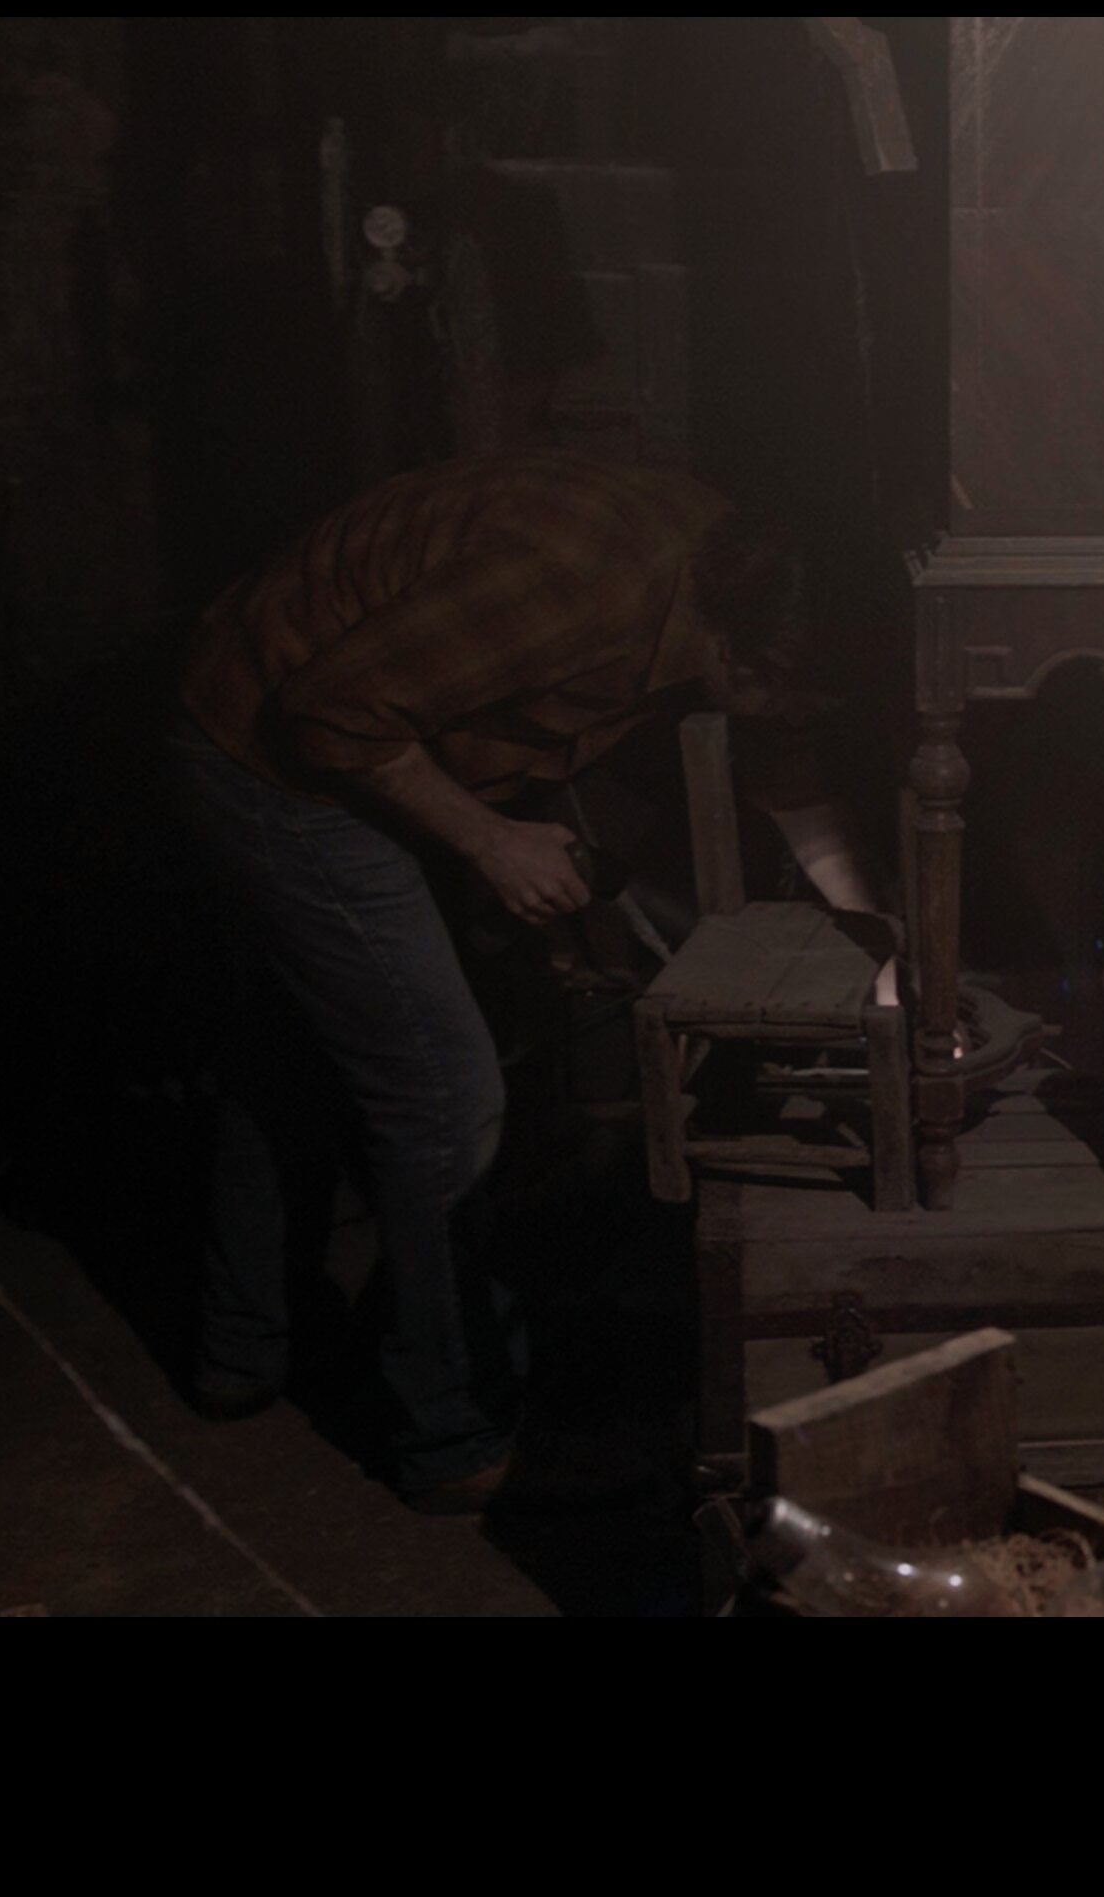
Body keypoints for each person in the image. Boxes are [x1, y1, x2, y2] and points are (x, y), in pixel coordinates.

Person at [165, 453, 881, 1513]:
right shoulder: (588, 588)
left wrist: (875, 943)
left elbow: (790, 770)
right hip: (270, 753)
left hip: (357, 732)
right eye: (782, 700)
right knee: (443, 1094)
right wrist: (489, 840)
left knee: (295, 1049)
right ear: (749, 653)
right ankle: (455, 1435)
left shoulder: (738, 577)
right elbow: (328, 714)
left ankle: (242, 1351)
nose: (782, 720)